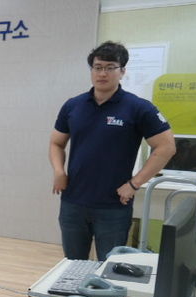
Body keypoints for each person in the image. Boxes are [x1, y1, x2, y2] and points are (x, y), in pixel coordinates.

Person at [49, 41, 176, 260]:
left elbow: (166, 147)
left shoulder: (138, 107)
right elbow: (56, 143)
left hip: (113, 206)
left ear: (122, 71)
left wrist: (134, 184)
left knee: (109, 269)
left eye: (110, 68)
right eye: (97, 67)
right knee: (72, 265)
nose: (102, 73)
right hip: (73, 202)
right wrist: (59, 171)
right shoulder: (73, 106)